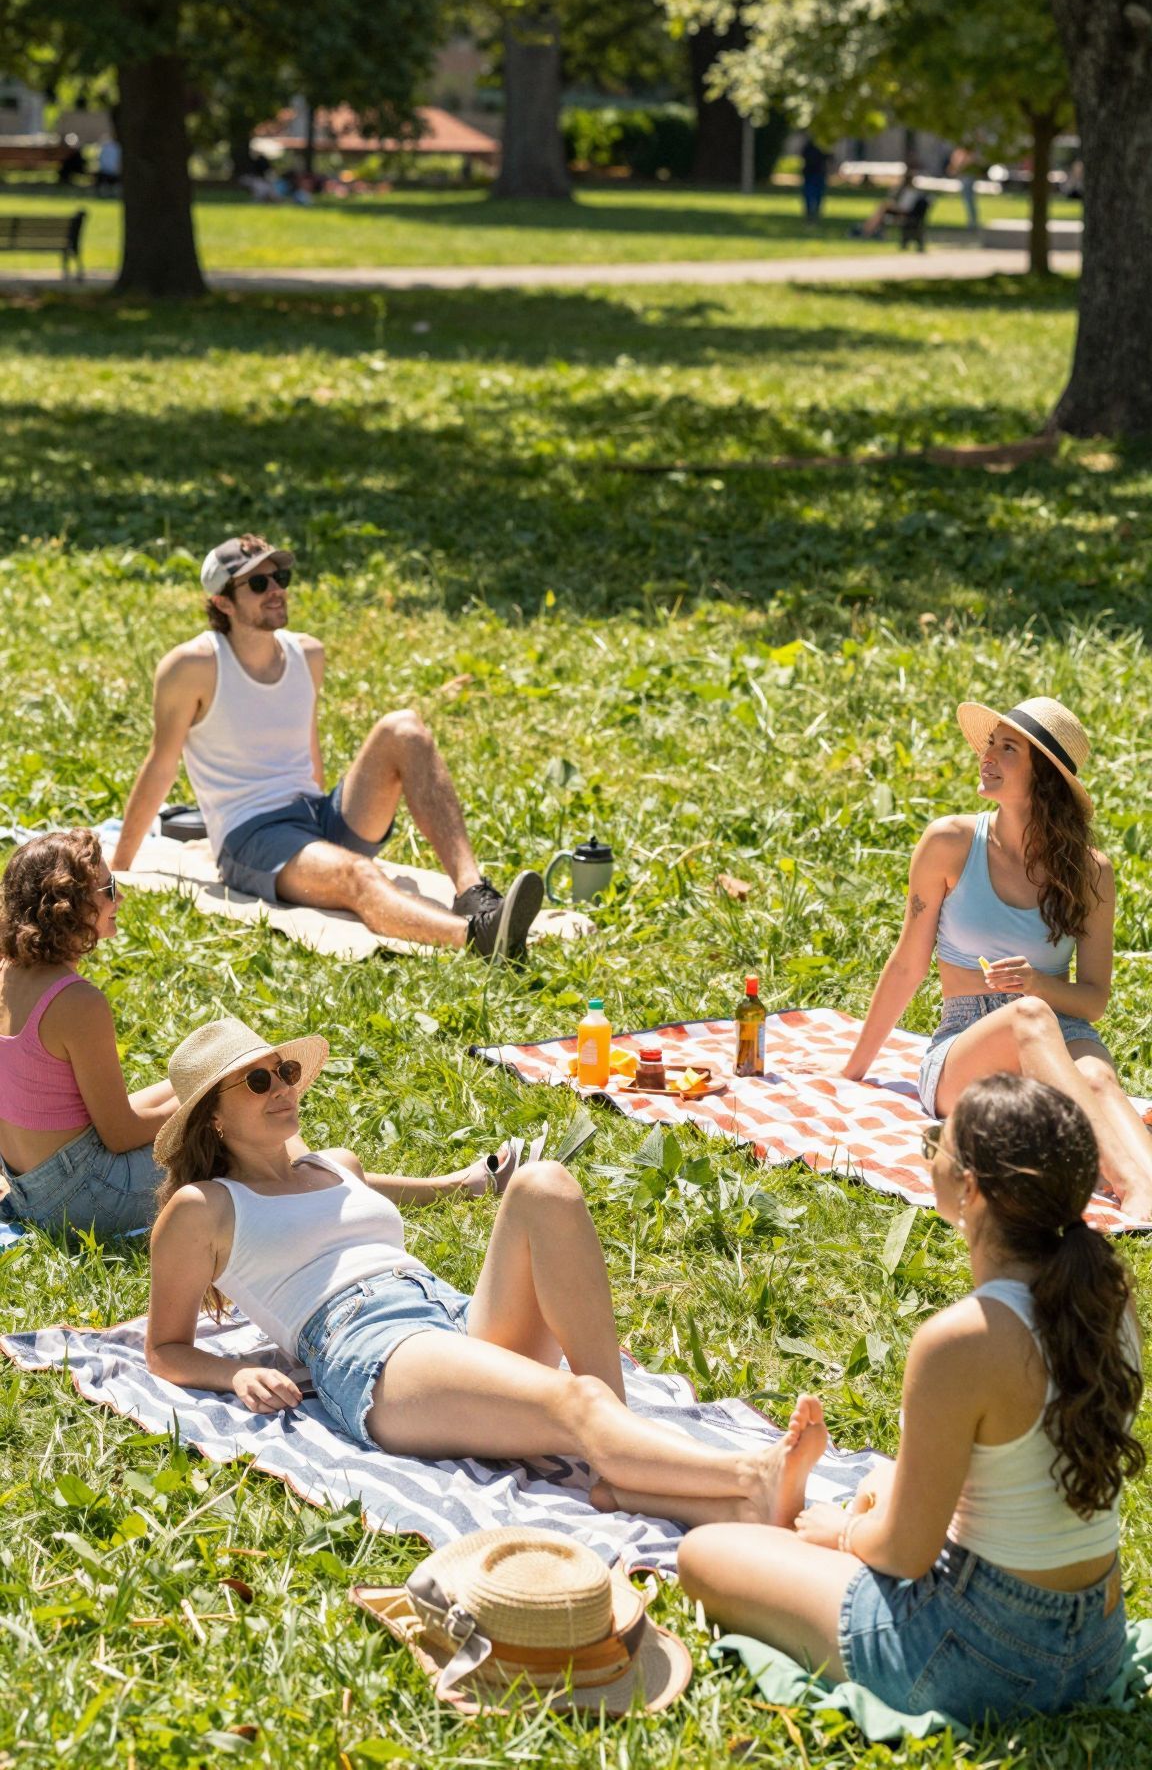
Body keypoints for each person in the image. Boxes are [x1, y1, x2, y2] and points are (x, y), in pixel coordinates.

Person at [146, 1015, 822, 1523]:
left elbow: (409, 1191)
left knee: (545, 1184)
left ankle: (624, 1460)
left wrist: (467, 1182)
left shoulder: (335, 1165)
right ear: (212, 1119)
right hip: (370, 1347)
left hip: (448, 1313)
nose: (283, 1088)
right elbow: (164, 1348)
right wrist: (233, 1373)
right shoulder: (203, 1209)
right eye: (258, 1081)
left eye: (286, 1071)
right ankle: (748, 1476)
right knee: (575, 1401)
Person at [678, 1074, 1143, 1725]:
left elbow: (906, 1555)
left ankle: (790, 1535)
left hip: (979, 1658)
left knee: (703, 1554)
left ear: (970, 1188)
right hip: (1095, 1644)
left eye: (936, 1143)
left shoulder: (962, 1340)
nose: (930, 1154)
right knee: (881, 1480)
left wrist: (843, 1533)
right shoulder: (1111, 1301)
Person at [110, 535, 543, 960]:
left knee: (404, 727)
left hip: (315, 815)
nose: (276, 589)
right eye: (258, 583)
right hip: (252, 837)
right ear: (223, 602)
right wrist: (120, 866)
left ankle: (473, 894)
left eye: (280, 577)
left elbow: (308, 753)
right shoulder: (192, 666)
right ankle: (479, 938)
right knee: (358, 874)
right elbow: (161, 765)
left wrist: (322, 843)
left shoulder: (307, 654)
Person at [841, 695, 1152, 1218]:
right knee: (1029, 1017)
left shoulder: (1091, 871)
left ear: (1045, 777)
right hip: (965, 1043)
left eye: (1007, 749)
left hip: (1064, 1030)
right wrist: (853, 1070)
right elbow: (908, 964)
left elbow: (1093, 1000)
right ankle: (1131, 1185)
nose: (986, 757)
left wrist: (1037, 983)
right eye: (990, 744)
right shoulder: (950, 842)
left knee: (1098, 1078)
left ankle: (1145, 1194)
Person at [0, 832, 179, 1235]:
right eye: (109, 889)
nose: (121, 899)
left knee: (196, 1079)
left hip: (27, 1185)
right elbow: (120, 1134)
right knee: (228, 1130)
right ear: (68, 906)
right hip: (86, 1198)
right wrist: (201, 1108)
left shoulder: (6, 973)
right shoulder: (77, 1003)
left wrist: (196, 1091)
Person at [854, 162, 921, 240]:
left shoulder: (911, 192)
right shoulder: (903, 190)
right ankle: (867, 229)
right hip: (898, 211)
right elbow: (893, 198)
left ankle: (866, 230)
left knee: (883, 207)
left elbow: (905, 208)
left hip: (904, 214)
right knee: (882, 209)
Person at [946, 144, 980, 230]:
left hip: (967, 178)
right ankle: (972, 221)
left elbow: (961, 163)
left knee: (969, 200)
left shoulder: (968, 154)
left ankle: (972, 222)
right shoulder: (960, 152)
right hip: (963, 177)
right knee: (968, 200)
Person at [800, 137, 830, 222]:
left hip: (813, 174)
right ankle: (813, 212)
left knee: (811, 194)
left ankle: (812, 212)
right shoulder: (821, 147)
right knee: (815, 195)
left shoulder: (809, 147)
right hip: (815, 174)